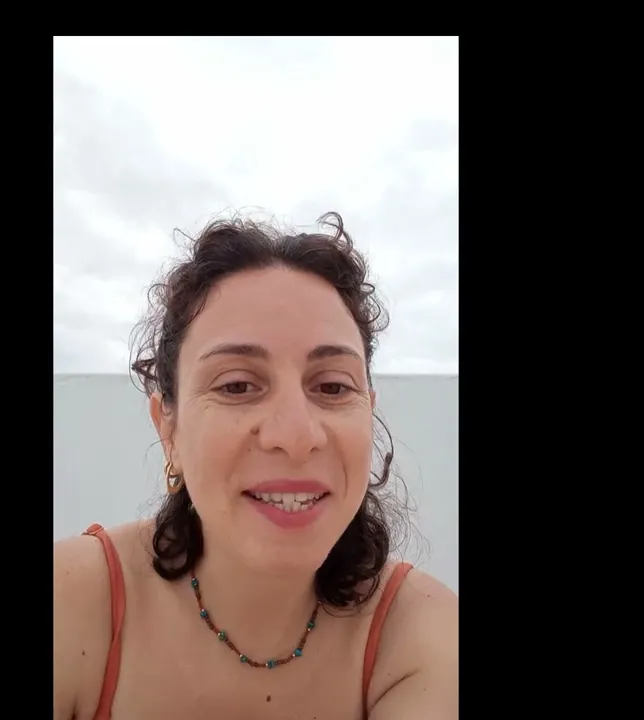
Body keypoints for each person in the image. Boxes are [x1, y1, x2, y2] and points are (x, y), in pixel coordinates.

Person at [53, 212, 458, 719]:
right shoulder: (74, 605)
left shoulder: (421, 634)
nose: (296, 436)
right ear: (168, 428)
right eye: (237, 385)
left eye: (333, 386)